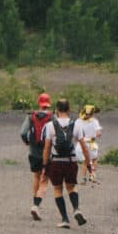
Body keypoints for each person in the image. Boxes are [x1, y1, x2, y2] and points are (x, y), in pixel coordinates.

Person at [41, 97, 85, 226]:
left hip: (56, 162)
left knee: (58, 189)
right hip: (71, 161)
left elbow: (47, 147)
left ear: (57, 109)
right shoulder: (76, 124)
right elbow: (83, 146)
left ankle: (65, 219)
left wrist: (44, 165)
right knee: (71, 187)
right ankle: (76, 209)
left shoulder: (50, 125)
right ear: (69, 109)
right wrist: (89, 164)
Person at [22, 91, 54, 219]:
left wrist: (27, 142)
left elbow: (23, 132)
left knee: (36, 177)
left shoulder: (31, 117)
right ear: (49, 104)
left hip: (33, 152)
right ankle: (36, 205)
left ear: (39, 103)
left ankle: (35, 203)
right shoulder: (52, 117)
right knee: (44, 179)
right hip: (48, 152)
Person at [79, 104, 104, 184]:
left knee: (85, 161)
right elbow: (99, 133)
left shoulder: (81, 120)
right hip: (92, 142)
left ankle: (83, 178)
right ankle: (92, 176)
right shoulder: (94, 121)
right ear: (92, 113)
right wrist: (97, 133)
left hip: (83, 142)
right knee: (94, 159)